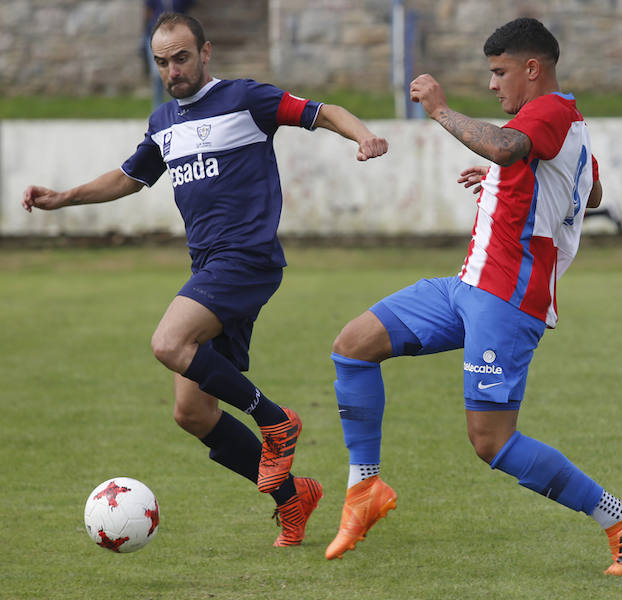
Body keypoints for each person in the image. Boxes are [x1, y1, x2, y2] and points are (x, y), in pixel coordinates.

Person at [22, 12, 388, 547]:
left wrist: (364, 135)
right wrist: (64, 197)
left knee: (168, 342)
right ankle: (294, 499)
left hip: (246, 258)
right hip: (209, 268)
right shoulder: (163, 122)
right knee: (192, 412)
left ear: (205, 52)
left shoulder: (246, 98)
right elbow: (128, 176)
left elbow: (320, 111)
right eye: (162, 62)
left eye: (182, 57)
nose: (173, 70)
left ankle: (276, 419)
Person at [324, 17, 622, 575]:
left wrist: (440, 110)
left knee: (491, 441)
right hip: (467, 286)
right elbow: (589, 191)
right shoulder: (568, 127)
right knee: (353, 346)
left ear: (533, 68)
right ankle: (365, 488)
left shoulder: (550, 111)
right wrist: (506, 183)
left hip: (507, 299)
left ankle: (620, 517)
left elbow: (507, 148)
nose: (494, 84)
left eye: (500, 72)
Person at [143, 1, 195, 110]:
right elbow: (148, 11)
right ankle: (157, 108)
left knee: (177, 73)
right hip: (156, 35)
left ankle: (178, 107)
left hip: (178, 36)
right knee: (157, 74)